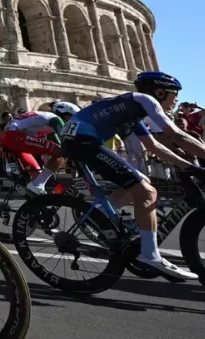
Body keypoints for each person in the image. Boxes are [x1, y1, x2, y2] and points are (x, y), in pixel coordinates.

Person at [61, 72, 205, 280]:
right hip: (82, 139)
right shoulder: (145, 100)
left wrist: (186, 165)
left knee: (142, 182)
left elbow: (152, 146)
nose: (176, 100)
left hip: (79, 138)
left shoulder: (131, 110)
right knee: (147, 193)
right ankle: (150, 255)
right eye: (174, 94)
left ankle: (98, 217)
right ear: (160, 91)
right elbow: (176, 135)